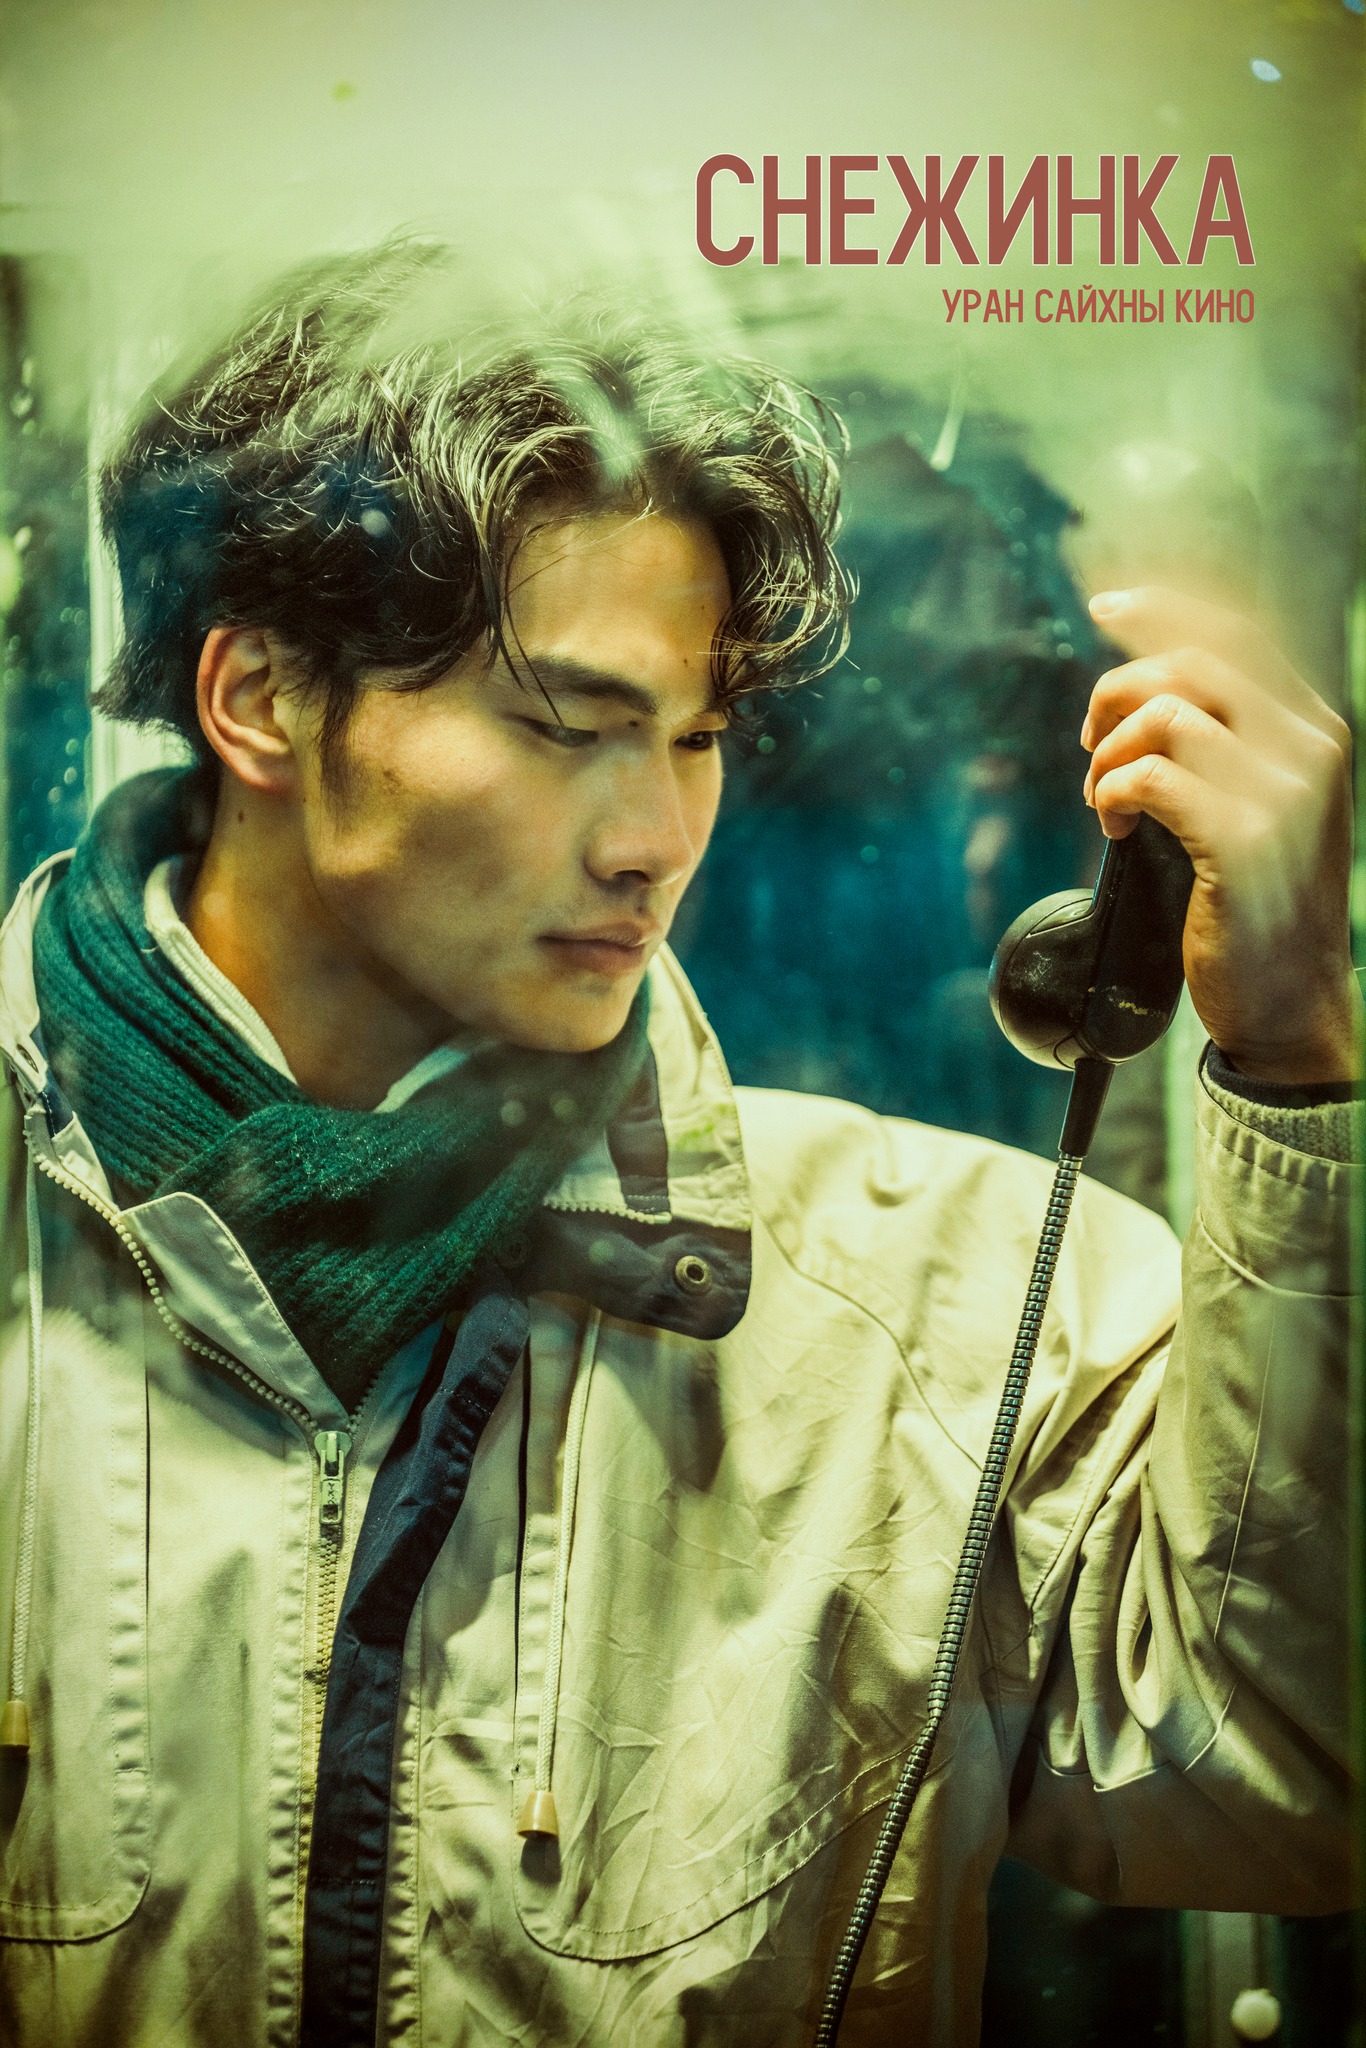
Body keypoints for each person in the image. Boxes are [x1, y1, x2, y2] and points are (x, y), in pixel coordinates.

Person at [0, 247, 1356, 2048]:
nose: (652, 838)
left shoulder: (935, 1304)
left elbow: (1288, 1774)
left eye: (695, 738)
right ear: (257, 698)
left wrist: (1297, 1061)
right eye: (567, 729)